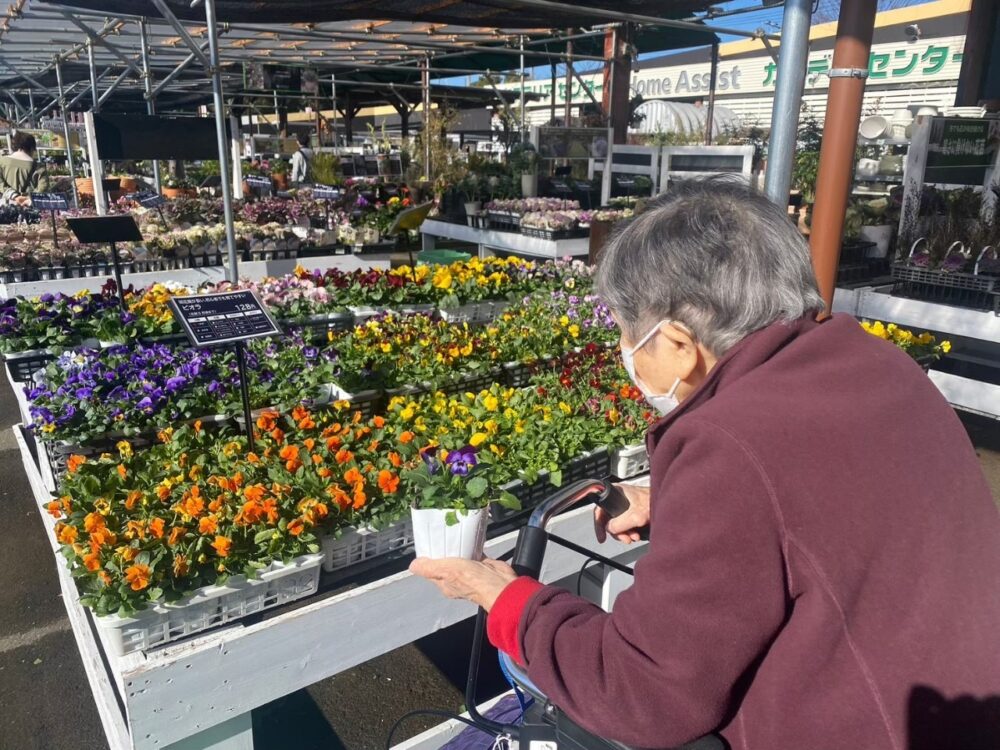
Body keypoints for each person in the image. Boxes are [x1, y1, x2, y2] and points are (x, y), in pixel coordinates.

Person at [411, 179, 1000, 749]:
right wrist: (672, 507)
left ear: (677, 342)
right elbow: (825, 510)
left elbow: (640, 691)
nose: (626, 354)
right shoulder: (879, 365)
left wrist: (508, 599)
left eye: (625, 332)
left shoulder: (728, 439)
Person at [0, 131, 46, 203]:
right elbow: (43, 189)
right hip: (30, 208)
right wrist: (28, 199)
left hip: (7, 206)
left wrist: (14, 196)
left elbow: (1, 185)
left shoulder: (2, 162)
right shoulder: (39, 167)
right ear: (31, 148)